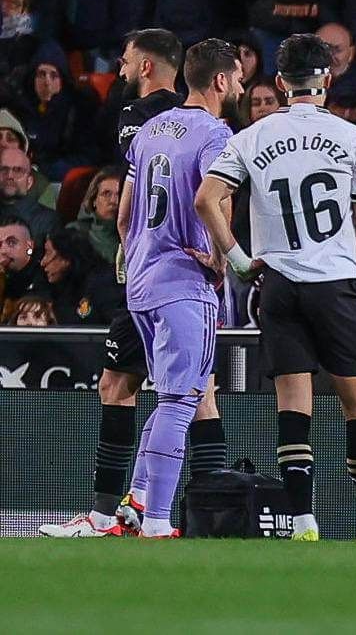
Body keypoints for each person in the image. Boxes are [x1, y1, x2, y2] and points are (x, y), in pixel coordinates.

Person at [194, 33, 356, 543]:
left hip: (278, 283)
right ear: (327, 79)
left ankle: (303, 524)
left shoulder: (252, 137)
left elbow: (207, 198)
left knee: (292, 402)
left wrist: (240, 261)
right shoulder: (352, 138)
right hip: (334, 281)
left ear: (281, 82)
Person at [114, 40, 243, 539]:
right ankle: (159, 522)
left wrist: (144, 255)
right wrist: (220, 257)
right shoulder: (215, 134)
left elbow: (124, 217)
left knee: (167, 397)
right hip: (184, 284)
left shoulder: (147, 132)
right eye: (234, 78)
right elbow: (214, 199)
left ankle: (140, 499)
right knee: (181, 400)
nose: (238, 86)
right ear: (218, 81)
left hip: (142, 284)